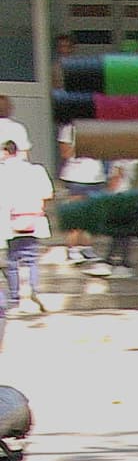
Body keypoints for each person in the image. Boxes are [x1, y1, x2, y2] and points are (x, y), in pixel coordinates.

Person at [0, 124, 52, 336]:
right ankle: (34, 289)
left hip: (10, 221)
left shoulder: (2, 171)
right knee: (31, 258)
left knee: (12, 261)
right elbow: (47, 193)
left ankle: (14, 296)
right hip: (32, 219)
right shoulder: (36, 170)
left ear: (5, 152)